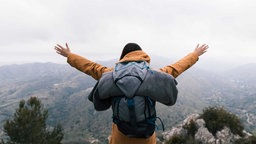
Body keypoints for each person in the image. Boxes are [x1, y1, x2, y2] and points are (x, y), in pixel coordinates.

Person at [54, 42, 208, 144]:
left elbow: (90, 67)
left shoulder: (111, 74)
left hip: (120, 137)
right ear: (142, 56)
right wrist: (195, 54)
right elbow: (176, 68)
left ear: (124, 57)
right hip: (146, 138)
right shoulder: (153, 76)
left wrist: (70, 55)